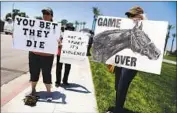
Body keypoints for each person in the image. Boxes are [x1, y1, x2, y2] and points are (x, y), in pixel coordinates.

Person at [106, 6, 147, 113]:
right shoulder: (126, 26)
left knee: (122, 85)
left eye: (132, 15)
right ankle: (118, 107)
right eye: (129, 15)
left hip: (131, 63)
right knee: (117, 85)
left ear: (140, 15)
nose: (130, 17)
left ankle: (118, 110)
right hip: (121, 60)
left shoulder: (146, 26)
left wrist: (143, 20)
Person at [28, 7, 55, 101]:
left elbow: (57, 41)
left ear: (51, 16)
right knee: (33, 73)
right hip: (34, 54)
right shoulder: (35, 25)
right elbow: (27, 35)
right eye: (44, 13)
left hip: (47, 56)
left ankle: (49, 92)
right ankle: (33, 90)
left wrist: (59, 44)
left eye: (48, 14)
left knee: (47, 74)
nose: (45, 15)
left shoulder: (55, 27)